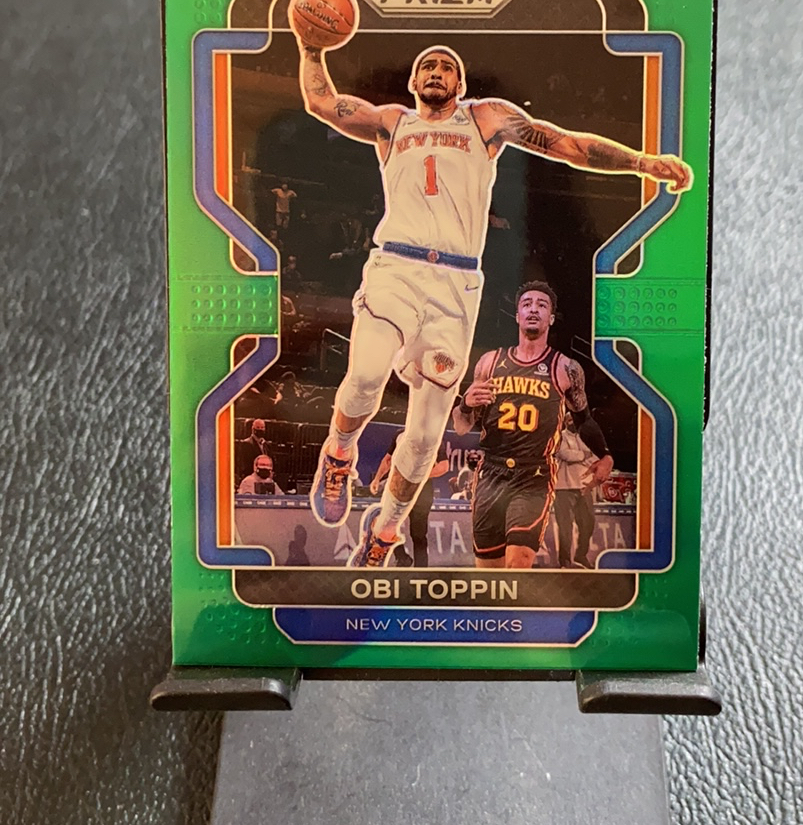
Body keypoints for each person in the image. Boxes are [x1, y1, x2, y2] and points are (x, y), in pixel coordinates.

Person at [293, 34, 690, 568]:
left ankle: (384, 531)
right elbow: (323, 102)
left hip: (455, 286)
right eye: (427, 65)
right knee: (365, 374)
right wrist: (311, 48)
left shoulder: (485, 120)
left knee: (425, 434)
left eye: (446, 66)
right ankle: (338, 456)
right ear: (413, 81)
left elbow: (566, 143)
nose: (436, 71)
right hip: (396, 266)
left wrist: (642, 162)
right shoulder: (392, 122)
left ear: (460, 83)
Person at [452, 282, 615, 569]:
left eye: (542, 305)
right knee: (489, 572)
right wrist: (465, 403)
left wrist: (605, 455)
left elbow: (584, 420)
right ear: (517, 316)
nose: (533, 309)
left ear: (550, 318)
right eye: (527, 304)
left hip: (534, 474)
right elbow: (462, 426)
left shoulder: (566, 368)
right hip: (491, 473)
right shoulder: (489, 362)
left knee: (518, 563)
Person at [369, 431, 450, 568]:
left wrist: (419, 476)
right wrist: (377, 479)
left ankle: (421, 570)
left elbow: (444, 466)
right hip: (399, 489)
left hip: (421, 492)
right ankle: (402, 558)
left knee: (418, 534)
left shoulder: (432, 436)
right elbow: (387, 460)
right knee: (385, 525)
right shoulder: (399, 435)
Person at [552, 414, 613, 569]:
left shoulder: (587, 437)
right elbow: (565, 454)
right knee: (565, 526)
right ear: (565, 422)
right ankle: (565, 562)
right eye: (570, 420)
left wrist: (584, 456)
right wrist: (584, 455)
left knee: (588, 523)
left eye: (574, 420)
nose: (573, 422)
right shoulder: (560, 436)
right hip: (564, 487)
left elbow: (596, 458)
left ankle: (581, 555)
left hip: (584, 487)